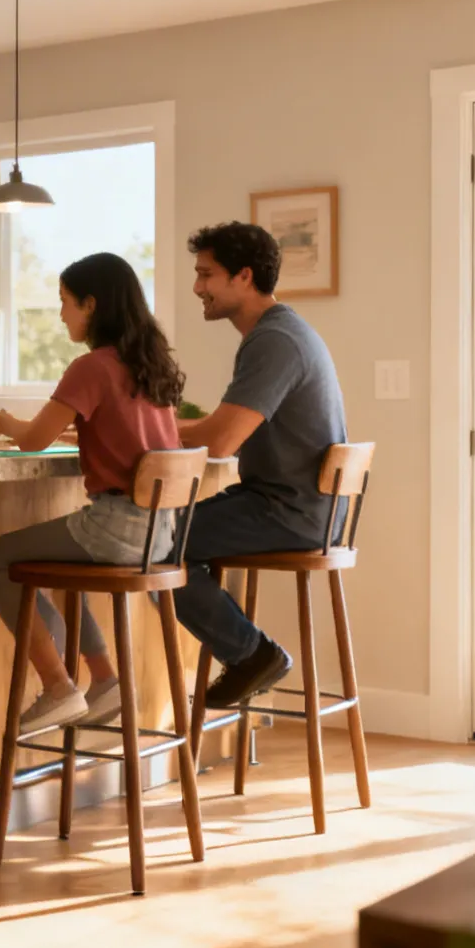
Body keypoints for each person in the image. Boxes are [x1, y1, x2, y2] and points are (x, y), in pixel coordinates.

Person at [0, 252, 184, 733]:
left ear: (91, 304)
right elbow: (131, 435)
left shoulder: (91, 367)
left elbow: (31, 439)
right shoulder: (149, 364)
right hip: (159, 536)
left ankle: (56, 686)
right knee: (68, 569)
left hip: (116, 529)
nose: (61, 314)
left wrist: (7, 422)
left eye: (65, 302)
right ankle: (104, 679)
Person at [175, 221, 348, 708]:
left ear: (244, 277)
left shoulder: (274, 341)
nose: (197, 288)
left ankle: (252, 654)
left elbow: (224, 440)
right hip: (298, 507)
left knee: (153, 544)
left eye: (206, 275)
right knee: (163, 537)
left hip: (288, 511)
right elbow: (224, 427)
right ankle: (249, 652)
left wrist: (156, 428)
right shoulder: (282, 333)